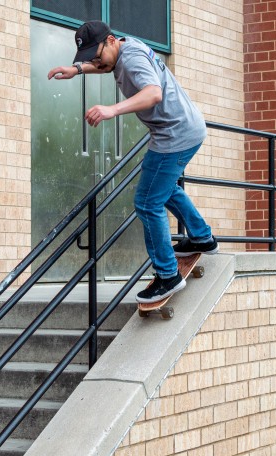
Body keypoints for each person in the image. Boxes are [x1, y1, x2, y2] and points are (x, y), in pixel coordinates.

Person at [47, 20, 218, 304]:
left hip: (174, 134)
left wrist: (112, 109)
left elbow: (154, 93)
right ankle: (202, 237)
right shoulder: (122, 48)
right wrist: (77, 70)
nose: (95, 62)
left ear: (112, 41)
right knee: (163, 188)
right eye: (90, 58)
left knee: (147, 201)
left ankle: (168, 275)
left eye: (96, 55)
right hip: (183, 129)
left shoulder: (133, 58)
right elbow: (104, 64)